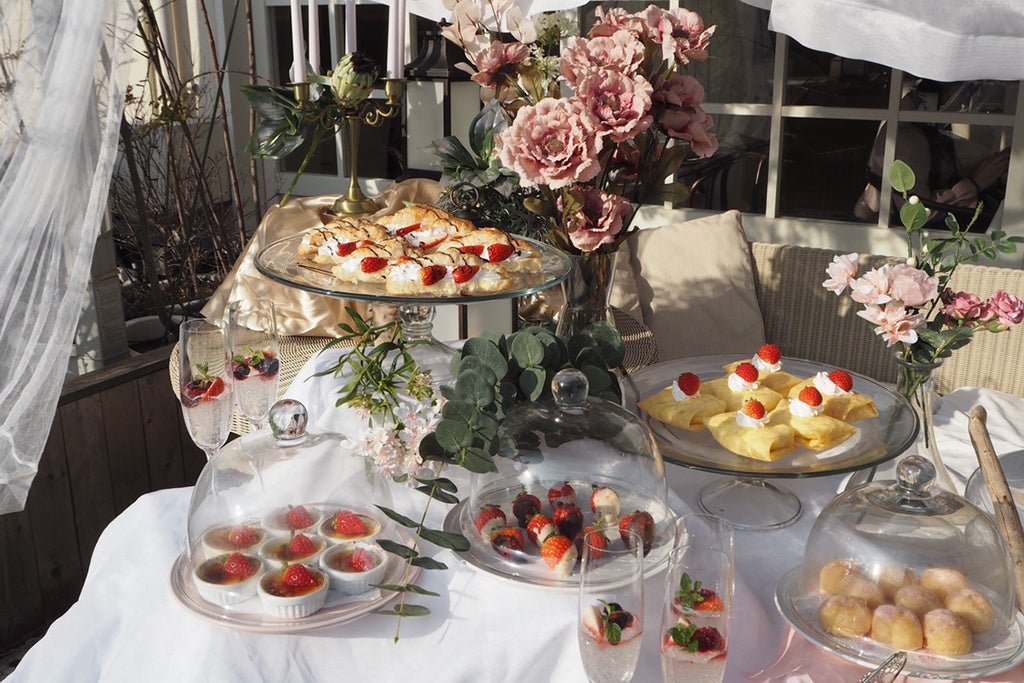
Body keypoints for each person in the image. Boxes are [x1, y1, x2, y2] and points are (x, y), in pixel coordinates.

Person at [853, 84, 1010, 232]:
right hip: (905, 232)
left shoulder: (912, 123)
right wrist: (975, 184)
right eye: (961, 91)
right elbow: (917, 213)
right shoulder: (909, 139)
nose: (964, 101)